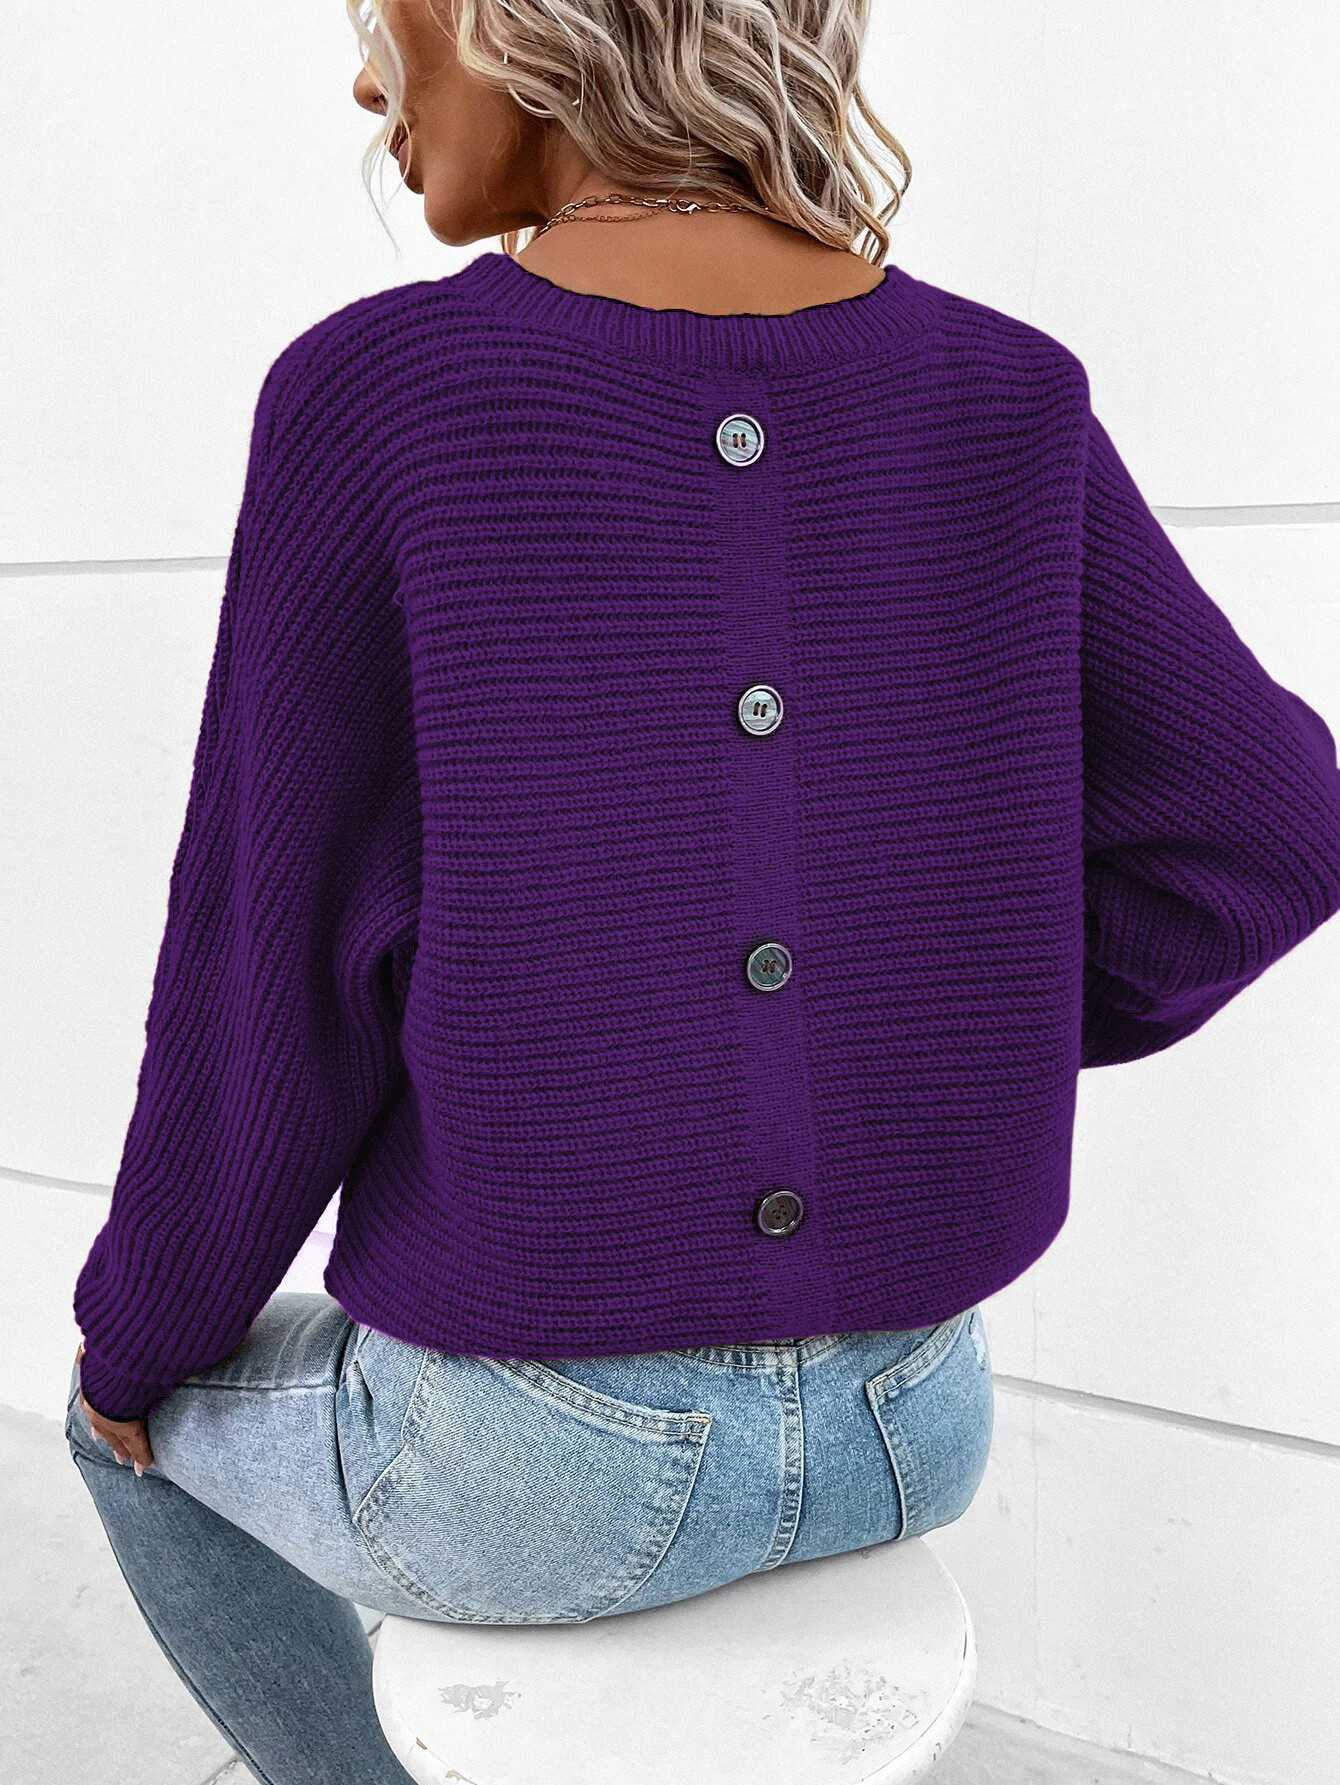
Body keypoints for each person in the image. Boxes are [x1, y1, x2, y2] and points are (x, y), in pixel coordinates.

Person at [65, 2, 1340, 1780]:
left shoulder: (382, 397)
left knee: (109, 1421)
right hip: (918, 1421)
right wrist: (947, 1016)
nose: (367, 78)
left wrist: (135, 1341)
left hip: (537, 1469)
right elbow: (1273, 828)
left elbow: (266, 975)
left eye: (384, 13)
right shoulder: (1005, 392)